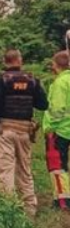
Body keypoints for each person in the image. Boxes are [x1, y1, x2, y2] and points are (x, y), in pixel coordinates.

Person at [0, 49, 48, 216]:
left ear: (5, 61)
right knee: (25, 170)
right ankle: (30, 209)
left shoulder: (1, 80)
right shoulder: (32, 80)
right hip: (25, 131)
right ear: (20, 60)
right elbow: (43, 105)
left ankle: (8, 211)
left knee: (5, 170)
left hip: (5, 130)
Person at [44, 50, 70, 210]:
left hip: (59, 129)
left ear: (56, 65)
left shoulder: (60, 83)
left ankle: (62, 200)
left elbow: (57, 109)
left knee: (57, 165)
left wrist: (50, 127)